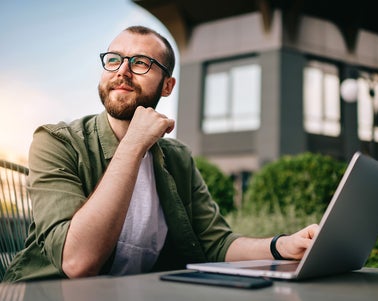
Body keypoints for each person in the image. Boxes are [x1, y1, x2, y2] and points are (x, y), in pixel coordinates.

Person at [4, 25, 318, 282]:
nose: (123, 71)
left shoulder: (177, 158)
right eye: (114, 59)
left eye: (140, 63)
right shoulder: (57, 141)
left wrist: (283, 245)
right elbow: (76, 263)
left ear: (167, 86)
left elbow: (216, 243)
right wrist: (133, 144)